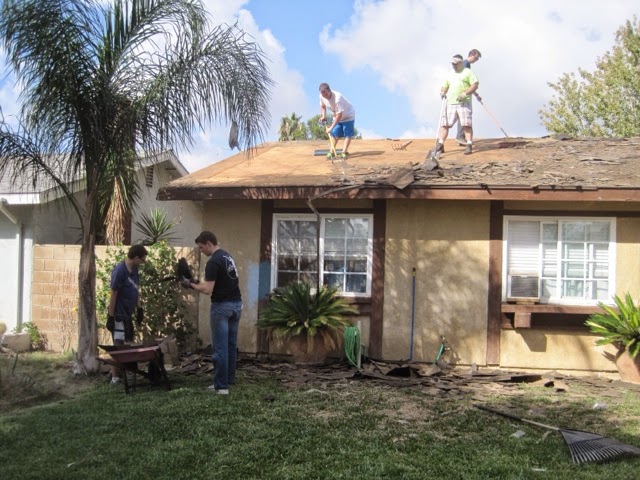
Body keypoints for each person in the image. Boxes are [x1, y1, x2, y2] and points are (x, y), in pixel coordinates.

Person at [182, 231, 242, 395]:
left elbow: (208, 289)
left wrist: (190, 285)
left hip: (221, 307)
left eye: (201, 247)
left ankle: (221, 387)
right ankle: (229, 379)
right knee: (230, 345)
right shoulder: (228, 257)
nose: (201, 251)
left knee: (220, 347)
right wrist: (196, 282)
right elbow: (221, 282)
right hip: (236, 305)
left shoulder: (213, 261)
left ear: (209, 243)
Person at [106, 244, 147, 384]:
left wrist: (139, 308)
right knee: (118, 346)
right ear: (136, 258)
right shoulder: (120, 271)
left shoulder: (135, 270)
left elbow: (136, 289)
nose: (142, 263)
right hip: (119, 314)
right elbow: (113, 294)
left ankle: (119, 372)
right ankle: (114, 377)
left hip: (128, 314)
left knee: (128, 344)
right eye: (142, 260)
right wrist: (111, 317)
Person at [435, 54, 479, 156]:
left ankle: (469, 144)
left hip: (464, 102)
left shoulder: (468, 72)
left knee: (466, 124)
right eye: (453, 64)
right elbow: (445, 85)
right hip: (451, 103)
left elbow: (475, 85)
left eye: (456, 64)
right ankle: (440, 143)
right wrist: (442, 92)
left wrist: (465, 93)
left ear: (460, 63)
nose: (454, 66)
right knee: (445, 124)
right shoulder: (450, 74)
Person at [319, 82, 356, 160]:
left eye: (326, 94)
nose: (325, 97)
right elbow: (323, 106)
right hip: (337, 115)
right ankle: (331, 152)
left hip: (348, 115)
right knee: (335, 134)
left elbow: (340, 115)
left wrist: (330, 128)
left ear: (330, 90)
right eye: (323, 95)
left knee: (347, 134)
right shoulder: (322, 96)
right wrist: (323, 116)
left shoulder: (337, 98)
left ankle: (344, 153)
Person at [456, 49, 482, 146]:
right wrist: (474, 94)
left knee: (462, 115)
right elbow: (467, 82)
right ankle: (460, 136)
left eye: (477, 59)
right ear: (471, 55)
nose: (476, 60)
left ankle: (461, 137)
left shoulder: (466, 65)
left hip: (463, 93)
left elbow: (469, 83)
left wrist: (476, 95)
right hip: (462, 94)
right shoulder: (465, 64)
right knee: (463, 115)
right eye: (476, 58)